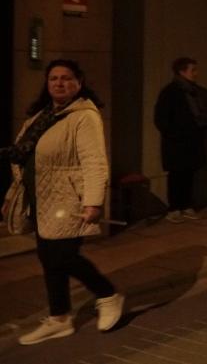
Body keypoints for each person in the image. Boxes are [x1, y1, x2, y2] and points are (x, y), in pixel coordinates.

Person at [1, 60, 123, 345]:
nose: (59, 83)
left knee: (63, 256)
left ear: (79, 82)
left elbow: (94, 161)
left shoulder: (84, 115)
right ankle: (60, 318)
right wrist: (11, 196)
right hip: (39, 197)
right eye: (54, 78)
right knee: (48, 256)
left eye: (66, 78)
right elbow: (24, 158)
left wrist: (94, 201)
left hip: (67, 198)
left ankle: (108, 295)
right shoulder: (42, 116)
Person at [154, 57, 207, 223]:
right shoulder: (170, 92)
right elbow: (161, 119)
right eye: (193, 70)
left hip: (191, 142)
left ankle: (186, 205)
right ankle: (174, 208)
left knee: (188, 174)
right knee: (176, 175)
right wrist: (175, 134)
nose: (196, 74)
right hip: (177, 143)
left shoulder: (193, 91)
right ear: (182, 71)